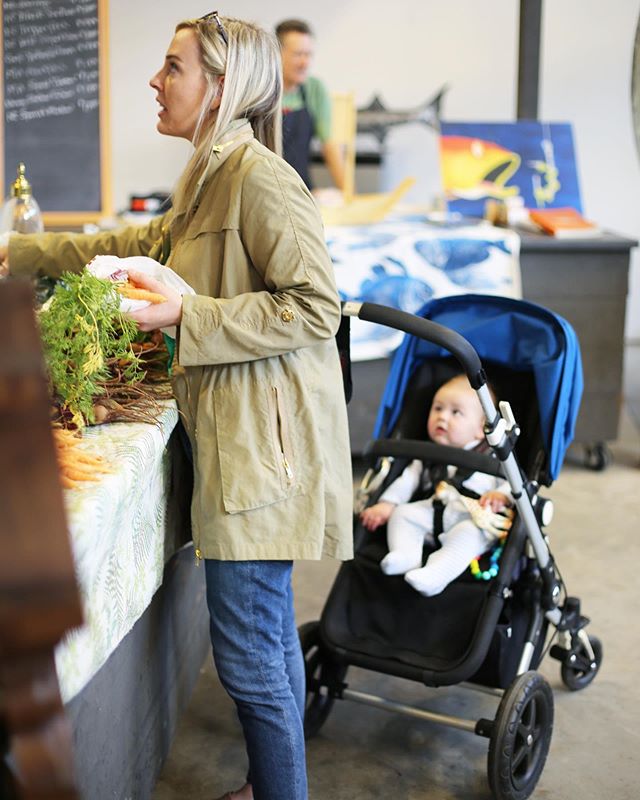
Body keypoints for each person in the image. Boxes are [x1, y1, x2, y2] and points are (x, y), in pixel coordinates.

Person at [0, 13, 353, 800]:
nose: (155, 82)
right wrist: (18, 249)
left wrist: (186, 316)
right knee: (264, 642)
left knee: (251, 655)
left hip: (263, 453)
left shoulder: (260, 177)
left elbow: (317, 307)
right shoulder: (208, 174)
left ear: (220, 86)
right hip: (240, 439)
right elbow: (138, 241)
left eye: (172, 68)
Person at [360, 374, 512, 596]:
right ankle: (405, 554)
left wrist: (501, 496)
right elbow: (408, 481)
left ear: (481, 428)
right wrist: (387, 504)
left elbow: (513, 483)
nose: (442, 417)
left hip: (473, 519)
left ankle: (436, 574)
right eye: (438, 408)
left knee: (469, 535)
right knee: (403, 514)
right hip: (434, 512)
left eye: (455, 412)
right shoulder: (427, 455)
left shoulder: (493, 458)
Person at [275, 19, 344, 191]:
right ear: (276, 53)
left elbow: (329, 145)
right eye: (298, 54)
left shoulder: (315, 89)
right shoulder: (261, 90)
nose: (305, 63)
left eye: (309, 55)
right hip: (266, 190)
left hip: (302, 190)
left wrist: (348, 193)